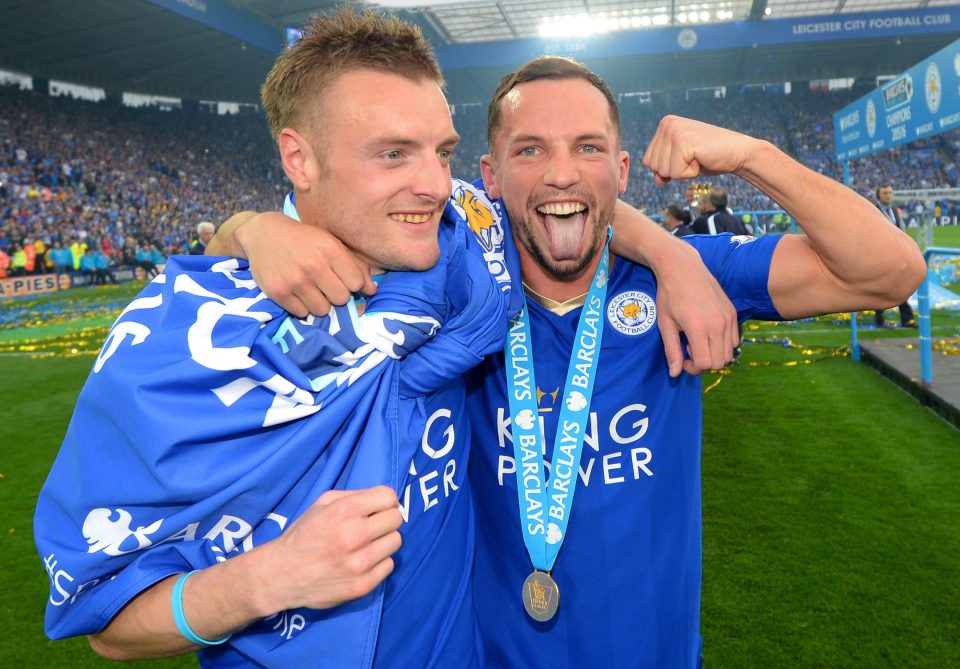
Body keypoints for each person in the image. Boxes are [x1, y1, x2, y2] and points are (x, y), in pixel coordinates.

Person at [34, 12, 732, 669]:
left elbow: (570, 194)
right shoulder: (188, 344)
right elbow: (107, 620)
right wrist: (267, 578)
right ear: (298, 159)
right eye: (393, 152)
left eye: (442, 151)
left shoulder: (459, 249)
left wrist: (675, 257)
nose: (432, 184)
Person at [229, 57, 925, 668]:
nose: (562, 172)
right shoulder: (447, 287)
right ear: (490, 178)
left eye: (588, 148)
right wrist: (253, 227)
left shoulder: (685, 279)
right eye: (530, 150)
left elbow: (891, 271)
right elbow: (324, 223)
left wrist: (751, 157)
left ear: (620, 171)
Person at [873, 183, 917, 328]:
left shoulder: (894, 210)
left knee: (898, 286)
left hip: (895, 255)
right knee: (882, 287)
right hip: (880, 255)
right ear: (878, 196)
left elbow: (901, 230)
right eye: (885, 193)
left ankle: (905, 318)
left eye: (890, 193)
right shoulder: (873, 210)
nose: (888, 195)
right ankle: (882, 318)